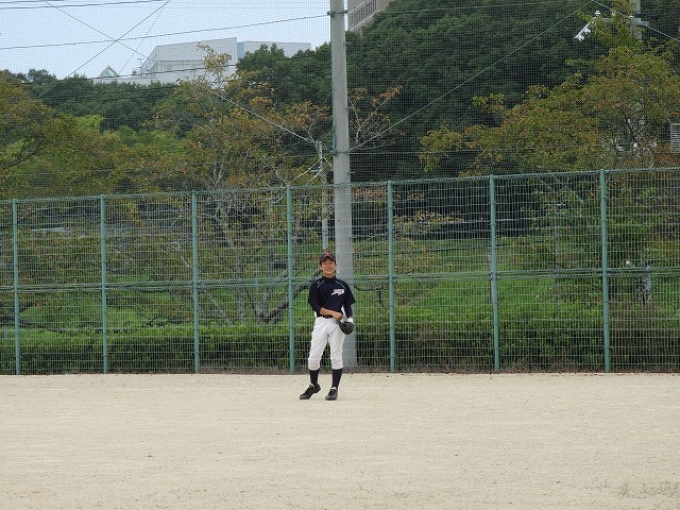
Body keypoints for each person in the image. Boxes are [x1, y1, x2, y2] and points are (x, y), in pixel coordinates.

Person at [300, 251, 356, 401]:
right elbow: (315, 307)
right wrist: (333, 312)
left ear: (336, 265)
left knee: (336, 356)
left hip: (337, 324)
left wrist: (350, 320)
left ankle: (334, 389)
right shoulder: (316, 285)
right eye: (325, 263)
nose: (328, 265)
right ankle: (314, 385)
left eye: (331, 262)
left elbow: (347, 305)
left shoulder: (342, 285)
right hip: (321, 322)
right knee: (313, 357)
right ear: (320, 267)